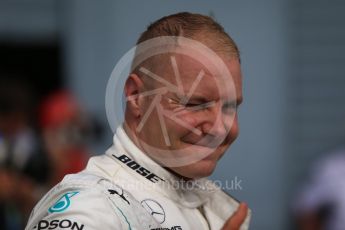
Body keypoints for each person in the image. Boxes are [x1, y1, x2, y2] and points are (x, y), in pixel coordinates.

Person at [25, 12, 251, 230]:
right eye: (194, 104)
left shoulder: (211, 204)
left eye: (230, 107)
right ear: (136, 97)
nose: (221, 129)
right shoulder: (90, 206)